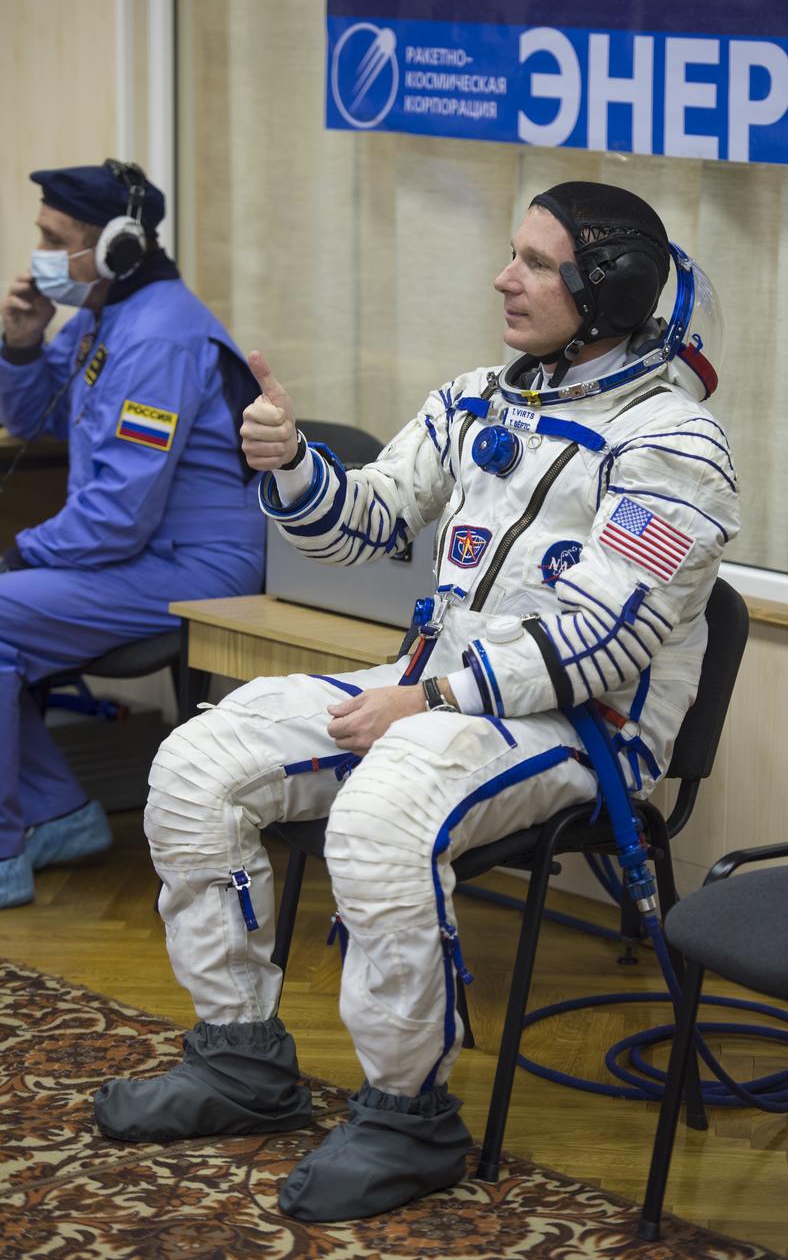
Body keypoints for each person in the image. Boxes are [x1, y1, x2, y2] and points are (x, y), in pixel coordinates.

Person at [94, 181, 740, 1221]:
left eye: (535, 263)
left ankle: (409, 1115)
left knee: (380, 813)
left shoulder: (673, 446)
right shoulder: (476, 400)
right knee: (196, 763)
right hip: (434, 693)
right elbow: (369, 523)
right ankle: (239, 1056)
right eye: (512, 253)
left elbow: (605, 639)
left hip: (582, 726)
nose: (503, 277)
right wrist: (293, 464)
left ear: (607, 291)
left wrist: (434, 696)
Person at [0, 160, 265, 909]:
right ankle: (57, 816)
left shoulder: (158, 338)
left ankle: (18, 841)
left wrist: (22, 552)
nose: (41, 258)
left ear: (117, 245)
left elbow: (121, 512)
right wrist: (22, 345)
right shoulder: (105, 317)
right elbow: (37, 419)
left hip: (198, 568)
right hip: (139, 554)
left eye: (57, 241)